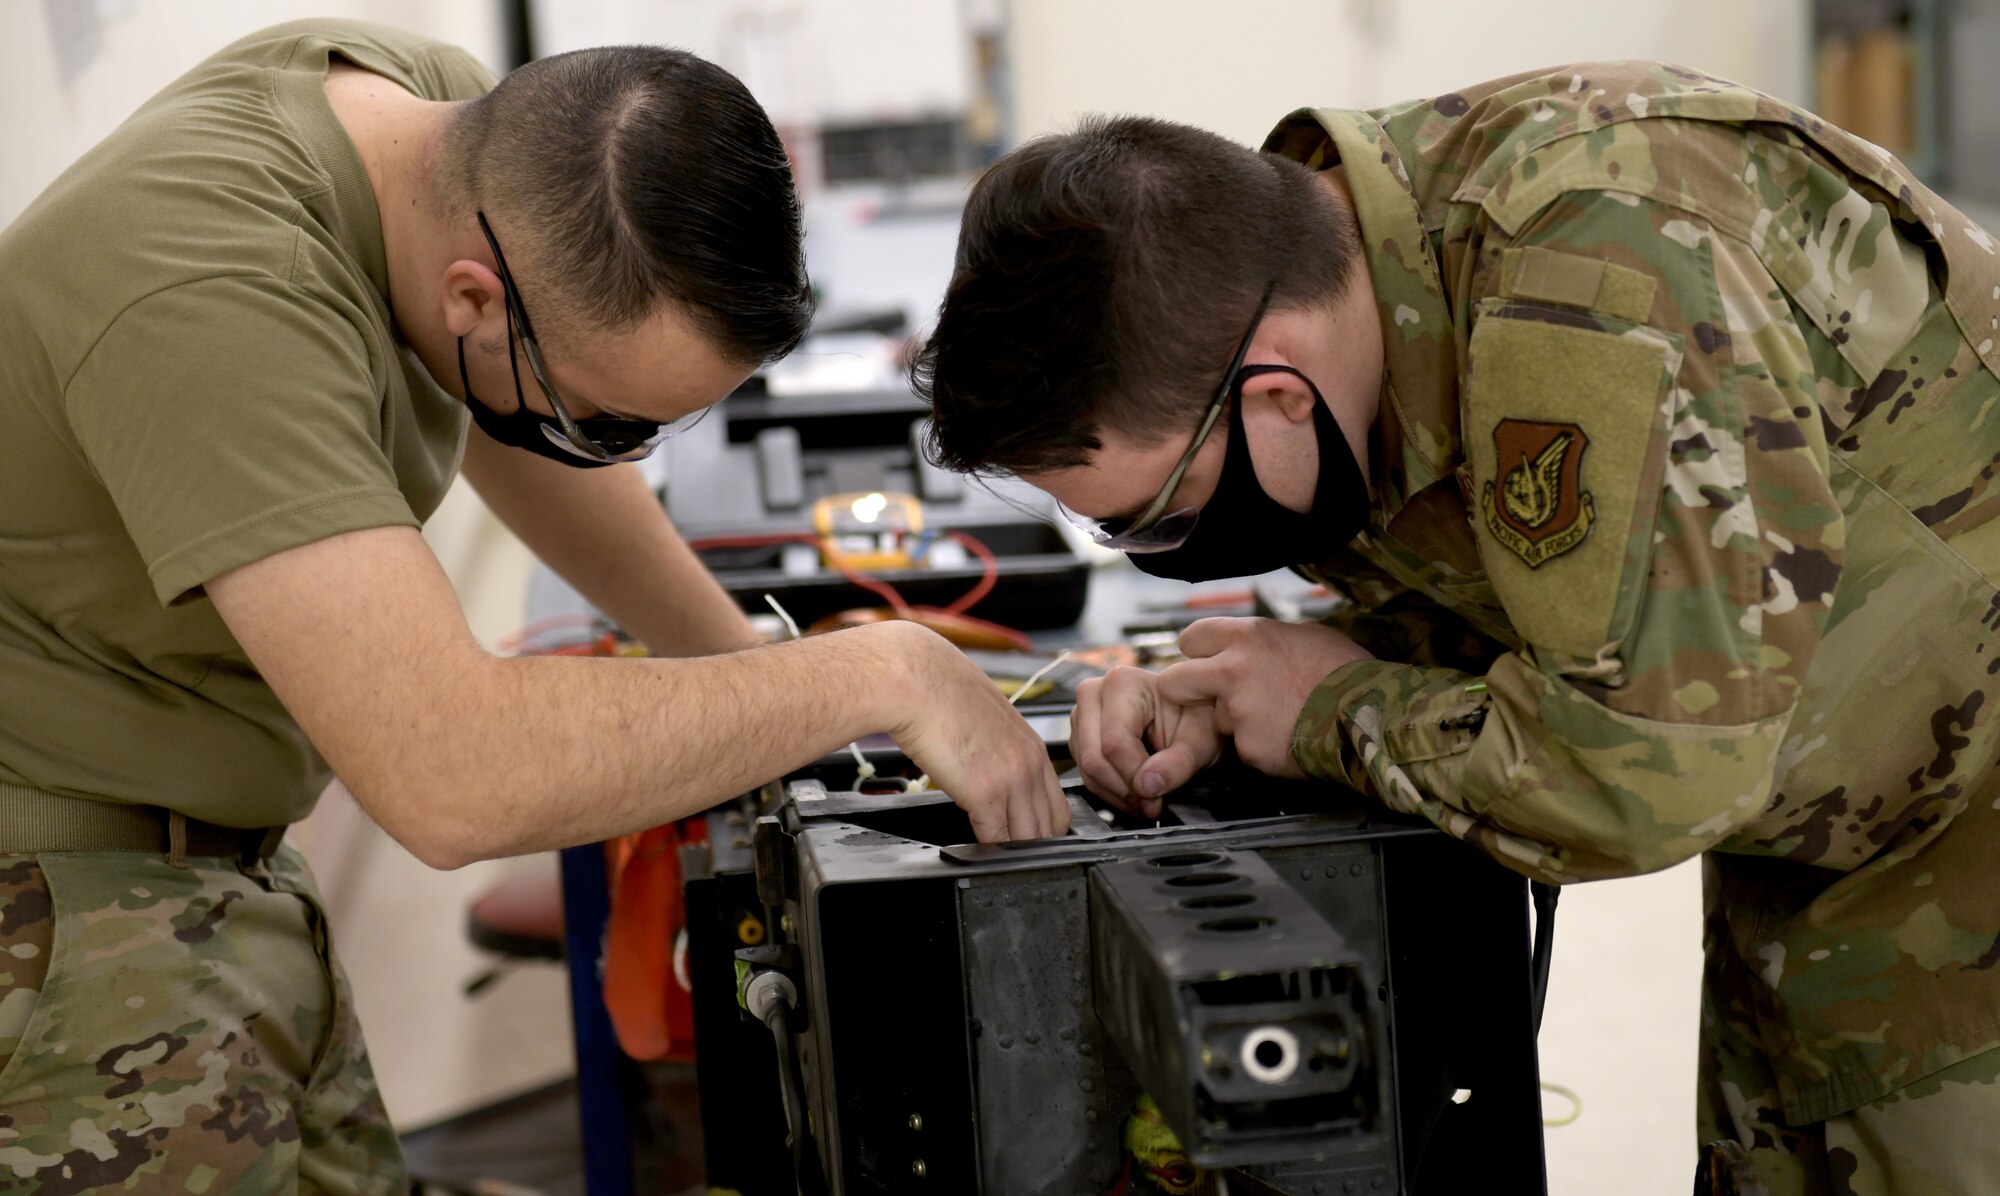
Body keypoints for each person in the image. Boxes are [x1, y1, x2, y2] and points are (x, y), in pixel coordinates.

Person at [0, 18, 1065, 1191]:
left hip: (219, 854)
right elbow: (451, 774)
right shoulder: (206, 292)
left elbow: (530, 442)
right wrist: (878, 675)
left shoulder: (445, 137)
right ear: (473, 294)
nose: (620, 449)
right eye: (613, 419)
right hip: (61, 914)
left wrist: (747, 680)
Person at [913, 64, 2000, 1194]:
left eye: (1160, 516)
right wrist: (1236, 687)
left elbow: (1651, 771)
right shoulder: (1329, 277)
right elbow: (1555, 595)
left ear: (1276, 393)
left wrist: (1333, 711)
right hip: (1841, 805)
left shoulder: (1587, 285)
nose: (1167, 553)